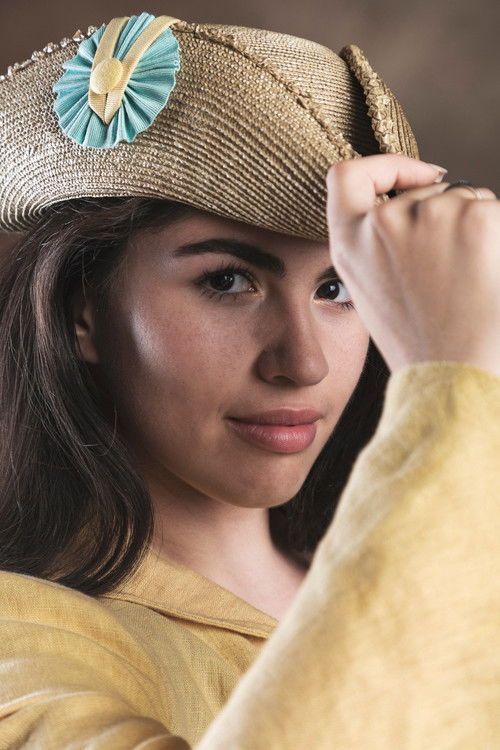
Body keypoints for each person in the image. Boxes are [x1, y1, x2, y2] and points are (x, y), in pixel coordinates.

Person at [0, 11, 499, 749]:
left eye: (338, 288)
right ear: (83, 309)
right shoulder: (23, 642)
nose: (303, 363)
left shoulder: (469, 579)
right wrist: (451, 383)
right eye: (228, 280)